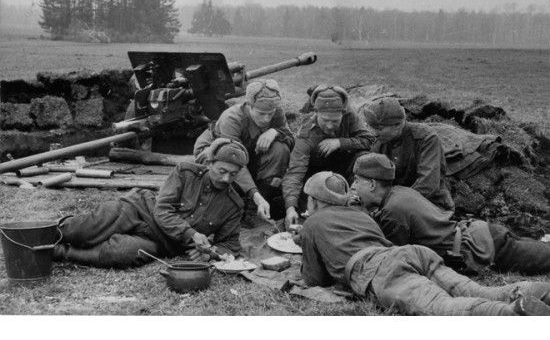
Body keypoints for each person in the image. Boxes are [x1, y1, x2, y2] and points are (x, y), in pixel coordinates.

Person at [296, 170, 550, 315]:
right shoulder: (360, 214)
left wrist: (305, 247)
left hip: (378, 269)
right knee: (480, 291)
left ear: (315, 202)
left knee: (442, 307)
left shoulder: (312, 224)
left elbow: (316, 279)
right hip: (411, 254)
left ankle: (513, 314)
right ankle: (533, 292)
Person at [53, 138, 248, 268]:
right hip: (139, 209)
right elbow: (162, 210)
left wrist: (210, 255)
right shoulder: (186, 172)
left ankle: (61, 252)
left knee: (121, 253)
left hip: (162, 242)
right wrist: (192, 234)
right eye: (221, 171)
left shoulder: (233, 205)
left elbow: (230, 245)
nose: (225, 179)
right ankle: (46, 234)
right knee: (83, 230)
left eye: (233, 174)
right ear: (210, 163)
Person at [352, 152, 550, 275]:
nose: (353, 186)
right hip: (481, 234)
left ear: (371, 184)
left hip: (478, 247)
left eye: (356, 181)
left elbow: (393, 257)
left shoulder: (393, 211)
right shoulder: (399, 193)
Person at [194, 79, 293, 223]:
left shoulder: (275, 111)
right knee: (225, 172)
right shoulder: (232, 118)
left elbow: (291, 140)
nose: (266, 119)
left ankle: (256, 207)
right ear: (249, 106)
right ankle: (234, 204)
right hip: (217, 151)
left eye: (270, 114)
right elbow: (232, 159)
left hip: (249, 152)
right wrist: (255, 195)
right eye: (261, 113)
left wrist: (275, 132)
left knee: (280, 149)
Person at [282, 85, 374, 227]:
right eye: (325, 120)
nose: (330, 126)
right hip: (316, 178)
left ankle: (362, 204)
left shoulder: (350, 116)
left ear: (343, 114)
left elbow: (369, 139)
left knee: (363, 157)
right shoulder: (306, 135)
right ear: (316, 113)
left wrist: (340, 142)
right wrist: (290, 207)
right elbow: (295, 174)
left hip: (346, 171)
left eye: (335, 121)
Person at [362, 97, 454, 212]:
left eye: (379, 128)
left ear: (399, 124)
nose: (373, 133)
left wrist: (390, 205)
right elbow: (370, 179)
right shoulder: (379, 143)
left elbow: (428, 185)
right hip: (391, 204)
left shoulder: (426, 139)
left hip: (430, 205)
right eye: (370, 127)